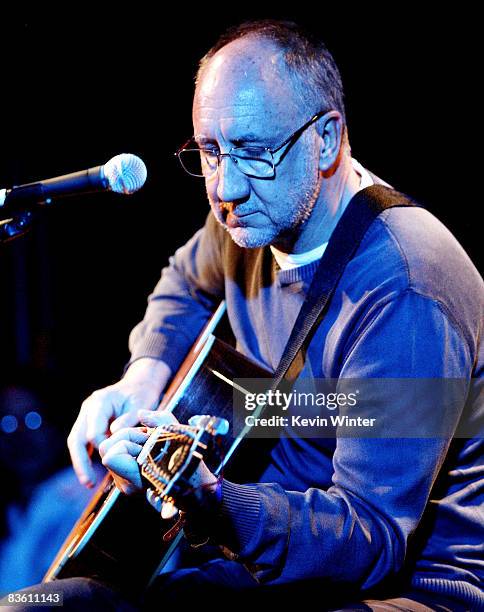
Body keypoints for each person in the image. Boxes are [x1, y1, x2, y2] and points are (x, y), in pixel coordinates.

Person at [9, 20, 484, 611]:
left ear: (327, 139)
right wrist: (145, 376)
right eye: (209, 151)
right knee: (45, 606)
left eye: (255, 152)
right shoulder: (248, 219)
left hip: (408, 591)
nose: (226, 186)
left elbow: (371, 537)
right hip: (274, 556)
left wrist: (214, 500)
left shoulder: (406, 286)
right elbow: (183, 282)